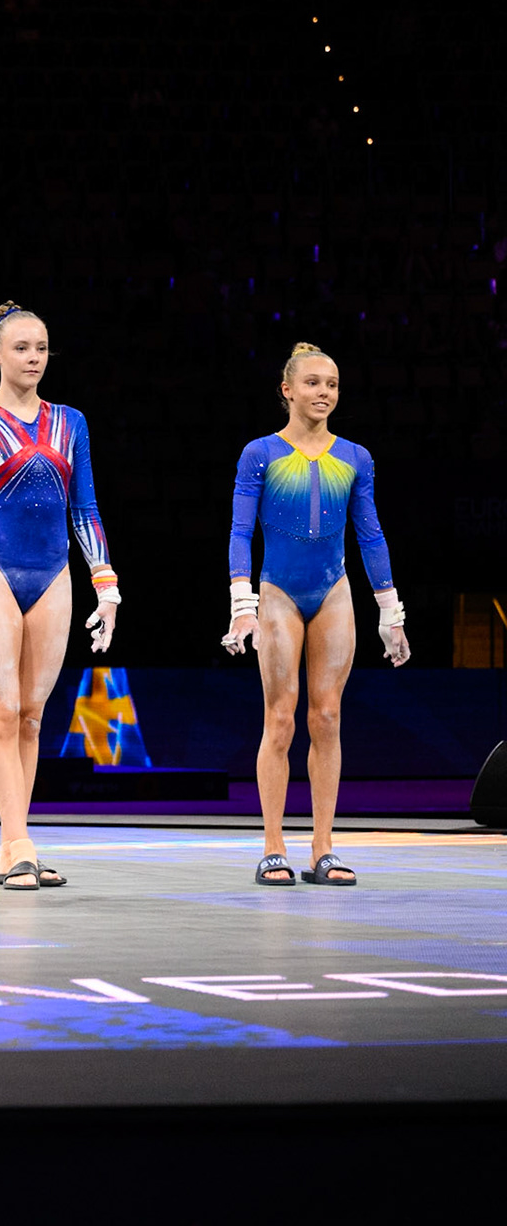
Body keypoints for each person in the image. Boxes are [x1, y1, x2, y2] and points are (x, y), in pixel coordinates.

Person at [0, 303, 119, 891]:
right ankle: (19, 842)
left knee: (34, 718)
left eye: (41, 347)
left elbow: (85, 508)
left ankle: (13, 844)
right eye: (20, 348)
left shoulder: (72, 422)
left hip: (54, 576)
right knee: (3, 711)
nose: (33, 357)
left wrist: (106, 583)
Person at [223, 342, 408, 888]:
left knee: (326, 718)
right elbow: (240, 532)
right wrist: (242, 605)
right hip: (279, 590)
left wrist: (389, 611)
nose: (323, 392)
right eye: (312, 383)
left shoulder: (355, 458)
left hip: (333, 592)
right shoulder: (260, 453)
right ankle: (273, 846)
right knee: (280, 718)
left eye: (331, 384)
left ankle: (323, 847)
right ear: (287, 390)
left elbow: (370, 534)